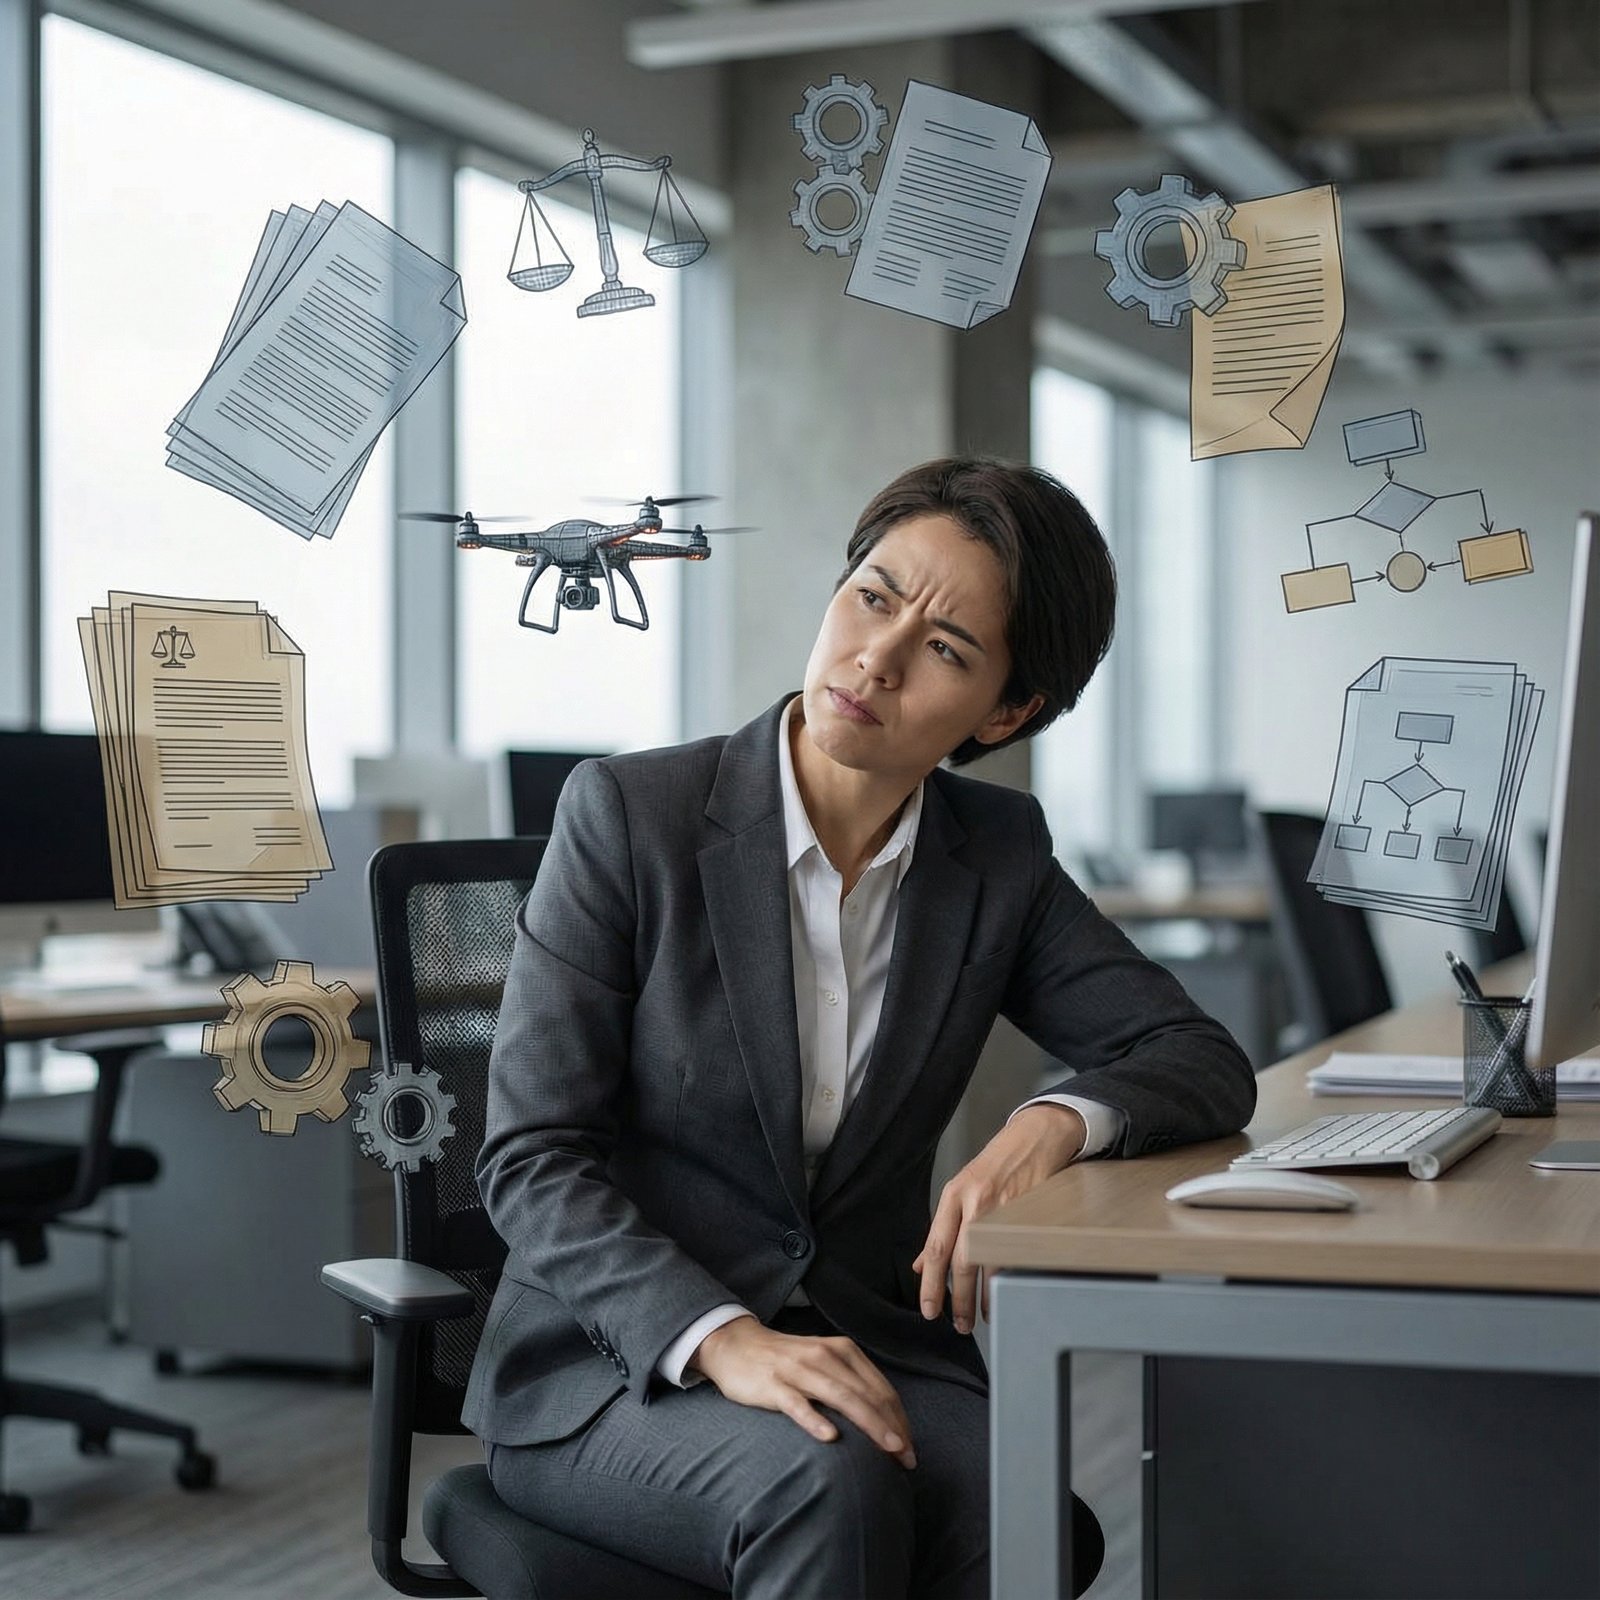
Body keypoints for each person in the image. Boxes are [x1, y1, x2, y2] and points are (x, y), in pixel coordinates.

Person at [466, 456, 1256, 1599]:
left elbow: (1196, 1055)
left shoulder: (995, 860)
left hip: (866, 1340)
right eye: (872, 598)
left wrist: (1051, 1122)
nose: (876, 658)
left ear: (1006, 712)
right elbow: (531, 1157)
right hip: (614, 1364)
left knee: (1025, 1521)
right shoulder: (631, 818)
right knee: (826, 1487)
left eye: (945, 649)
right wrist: (721, 1334)